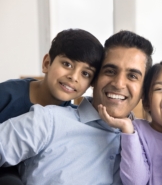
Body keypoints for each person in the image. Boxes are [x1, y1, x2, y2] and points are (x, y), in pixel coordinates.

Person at [0, 30, 153, 184]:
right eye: (110, 71)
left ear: (144, 90)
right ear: (94, 80)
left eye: (132, 76)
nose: (118, 83)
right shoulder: (48, 121)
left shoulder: (149, 142)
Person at [0, 28, 104, 184]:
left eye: (85, 74)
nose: (73, 77)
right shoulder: (7, 94)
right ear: (47, 63)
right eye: (67, 64)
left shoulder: (67, 119)